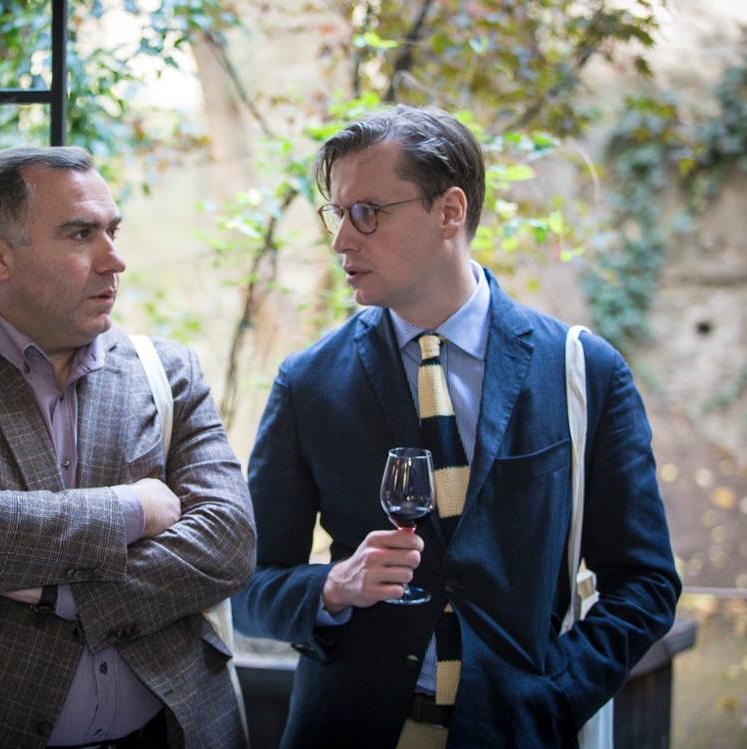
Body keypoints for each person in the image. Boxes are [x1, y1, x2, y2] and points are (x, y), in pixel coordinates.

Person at [231, 105, 681, 748]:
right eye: (337, 214)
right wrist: (333, 586)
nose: (341, 241)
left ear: (449, 211)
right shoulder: (308, 382)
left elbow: (646, 582)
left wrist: (556, 694)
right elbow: (248, 587)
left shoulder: (582, 370)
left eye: (367, 212)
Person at [0, 146, 255, 749]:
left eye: (113, 231)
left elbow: (229, 544)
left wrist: (52, 591)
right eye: (81, 234)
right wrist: (137, 508)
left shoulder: (168, 373)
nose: (114, 260)